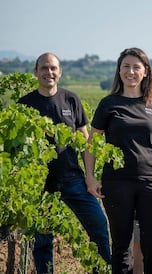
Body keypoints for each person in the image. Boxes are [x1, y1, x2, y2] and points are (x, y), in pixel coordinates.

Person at [84, 47, 152, 274]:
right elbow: (91, 145)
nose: (131, 72)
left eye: (136, 67)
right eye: (126, 66)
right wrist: (90, 176)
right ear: (119, 71)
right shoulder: (109, 104)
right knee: (121, 247)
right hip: (117, 183)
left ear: (145, 72)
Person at [18, 52, 111, 274]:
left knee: (98, 226)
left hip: (72, 178)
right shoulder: (25, 104)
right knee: (42, 240)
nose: (49, 72)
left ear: (60, 72)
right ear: (36, 72)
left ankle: (104, 270)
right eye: (44, 68)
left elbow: (85, 141)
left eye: (53, 68)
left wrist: (89, 176)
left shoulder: (71, 100)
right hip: (40, 184)